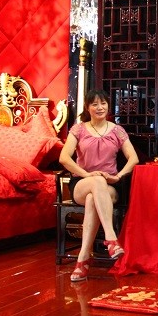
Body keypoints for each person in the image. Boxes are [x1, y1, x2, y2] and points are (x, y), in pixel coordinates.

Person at [59, 89, 139, 282]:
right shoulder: (78, 129)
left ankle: (82, 259)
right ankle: (111, 237)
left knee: (93, 197)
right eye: (94, 104)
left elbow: (133, 158)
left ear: (108, 106)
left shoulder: (117, 130)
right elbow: (64, 158)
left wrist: (118, 177)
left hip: (109, 185)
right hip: (82, 181)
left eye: (103, 103)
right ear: (88, 108)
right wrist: (87, 174)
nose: (99, 107)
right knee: (95, 183)